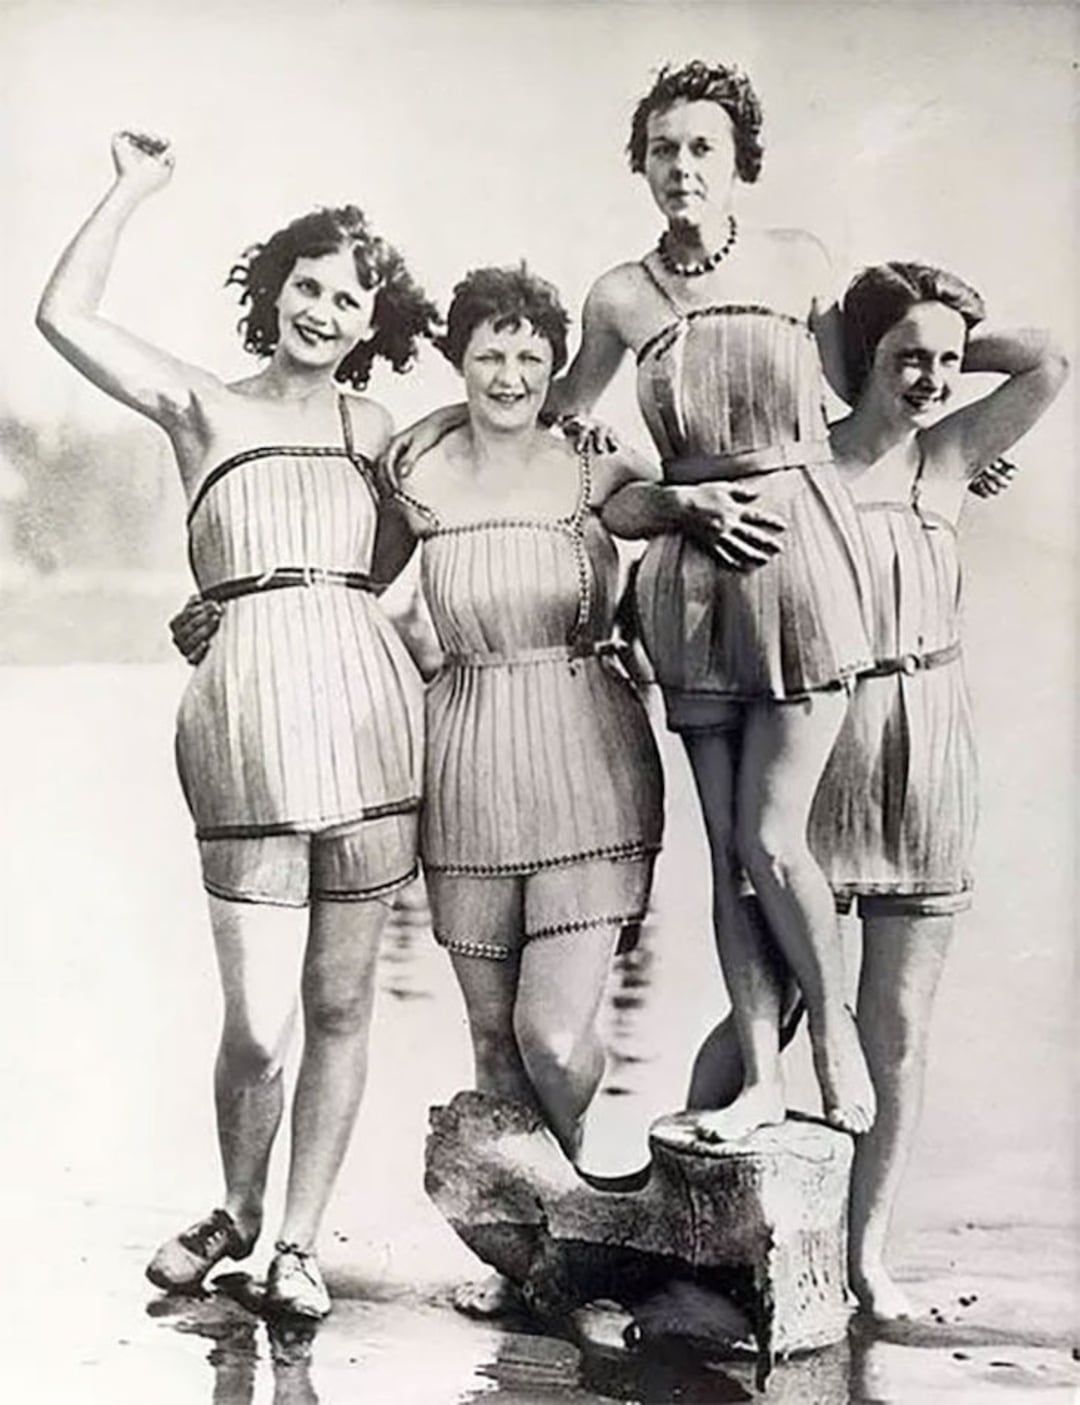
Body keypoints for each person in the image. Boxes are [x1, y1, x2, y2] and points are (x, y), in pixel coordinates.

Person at [402, 60, 879, 1143]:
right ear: (643, 164)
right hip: (689, 568)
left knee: (775, 835)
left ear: (738, 157)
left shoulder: (799, 262)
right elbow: (546, 412)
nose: (681, 167)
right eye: (663, 148)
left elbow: (866, 396)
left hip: (799, 551)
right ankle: (761, 1074)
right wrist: (439, 425)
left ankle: (836, 1038)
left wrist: (964, 450)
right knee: (725, 845)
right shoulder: (619, 295)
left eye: (701, 146)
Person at [36, 131, 439, 1319]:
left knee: (343, 1003)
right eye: (307, 285)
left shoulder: (381, 434)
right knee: (258, 1027)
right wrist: (131, 186)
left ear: (373, 320)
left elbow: (495, 490)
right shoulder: (202, 406)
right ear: (274, 294)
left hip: (369, 723)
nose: (323, 308)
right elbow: (63, 315)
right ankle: (239, 1206)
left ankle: (296, 1243)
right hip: (245, 726)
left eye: (347, 295)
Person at [688, 262, 1068, 1318]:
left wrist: (951, 331)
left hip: (930, 744)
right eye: (910, 358)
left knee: (895, 1018)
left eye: (945, 362)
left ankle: (864, 1258)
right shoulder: (803, 468)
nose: (932, 379)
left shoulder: (949, 456)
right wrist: (860, 349)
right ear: (862, 359)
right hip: (819, 742)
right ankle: (698, 1220)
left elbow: (1049, 361)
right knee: (767, 1000)